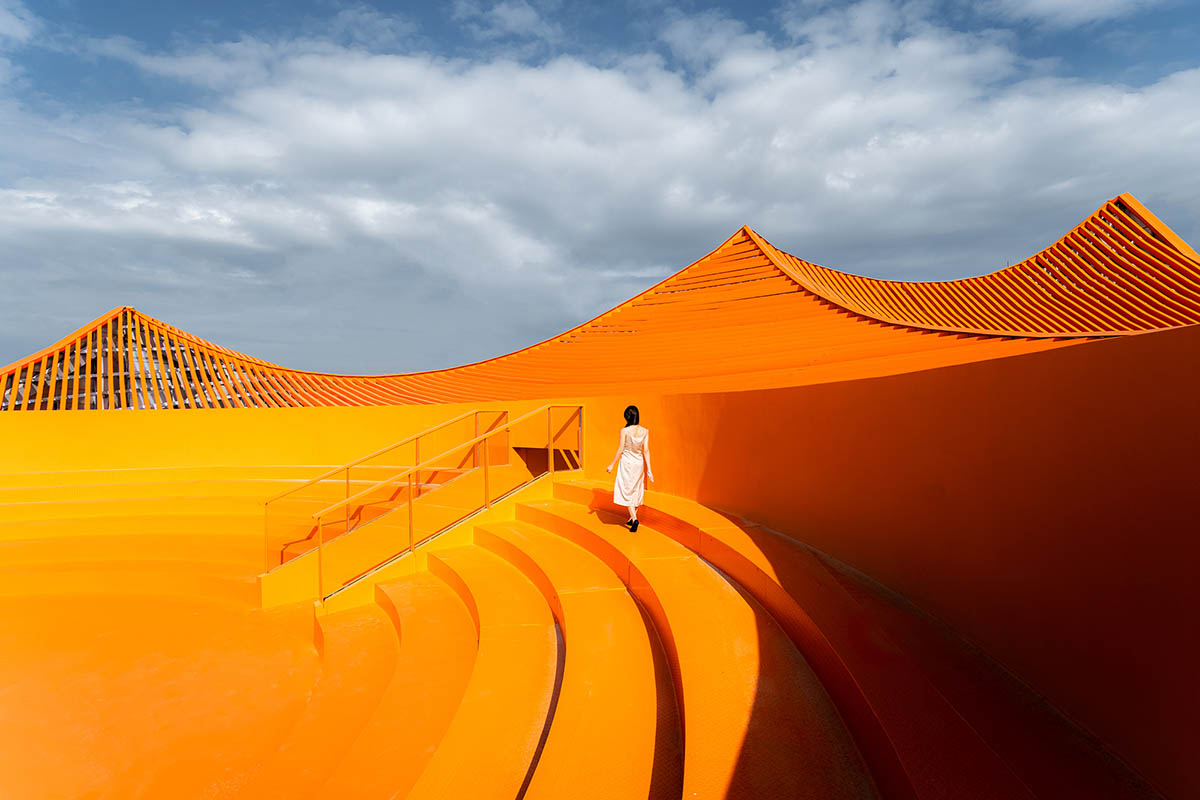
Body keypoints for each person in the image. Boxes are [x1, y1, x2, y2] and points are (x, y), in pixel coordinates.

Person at [605, 405, 654, 531]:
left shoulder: (625, 431)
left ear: (627, 417)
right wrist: (649, 470)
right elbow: (646, 451)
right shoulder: (645, 431)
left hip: (627, 464)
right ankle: (631, 519)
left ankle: (635, 519)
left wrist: (611, 464)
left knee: (626, 491)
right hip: (639, 464)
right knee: (636, 490)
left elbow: (621, 449)